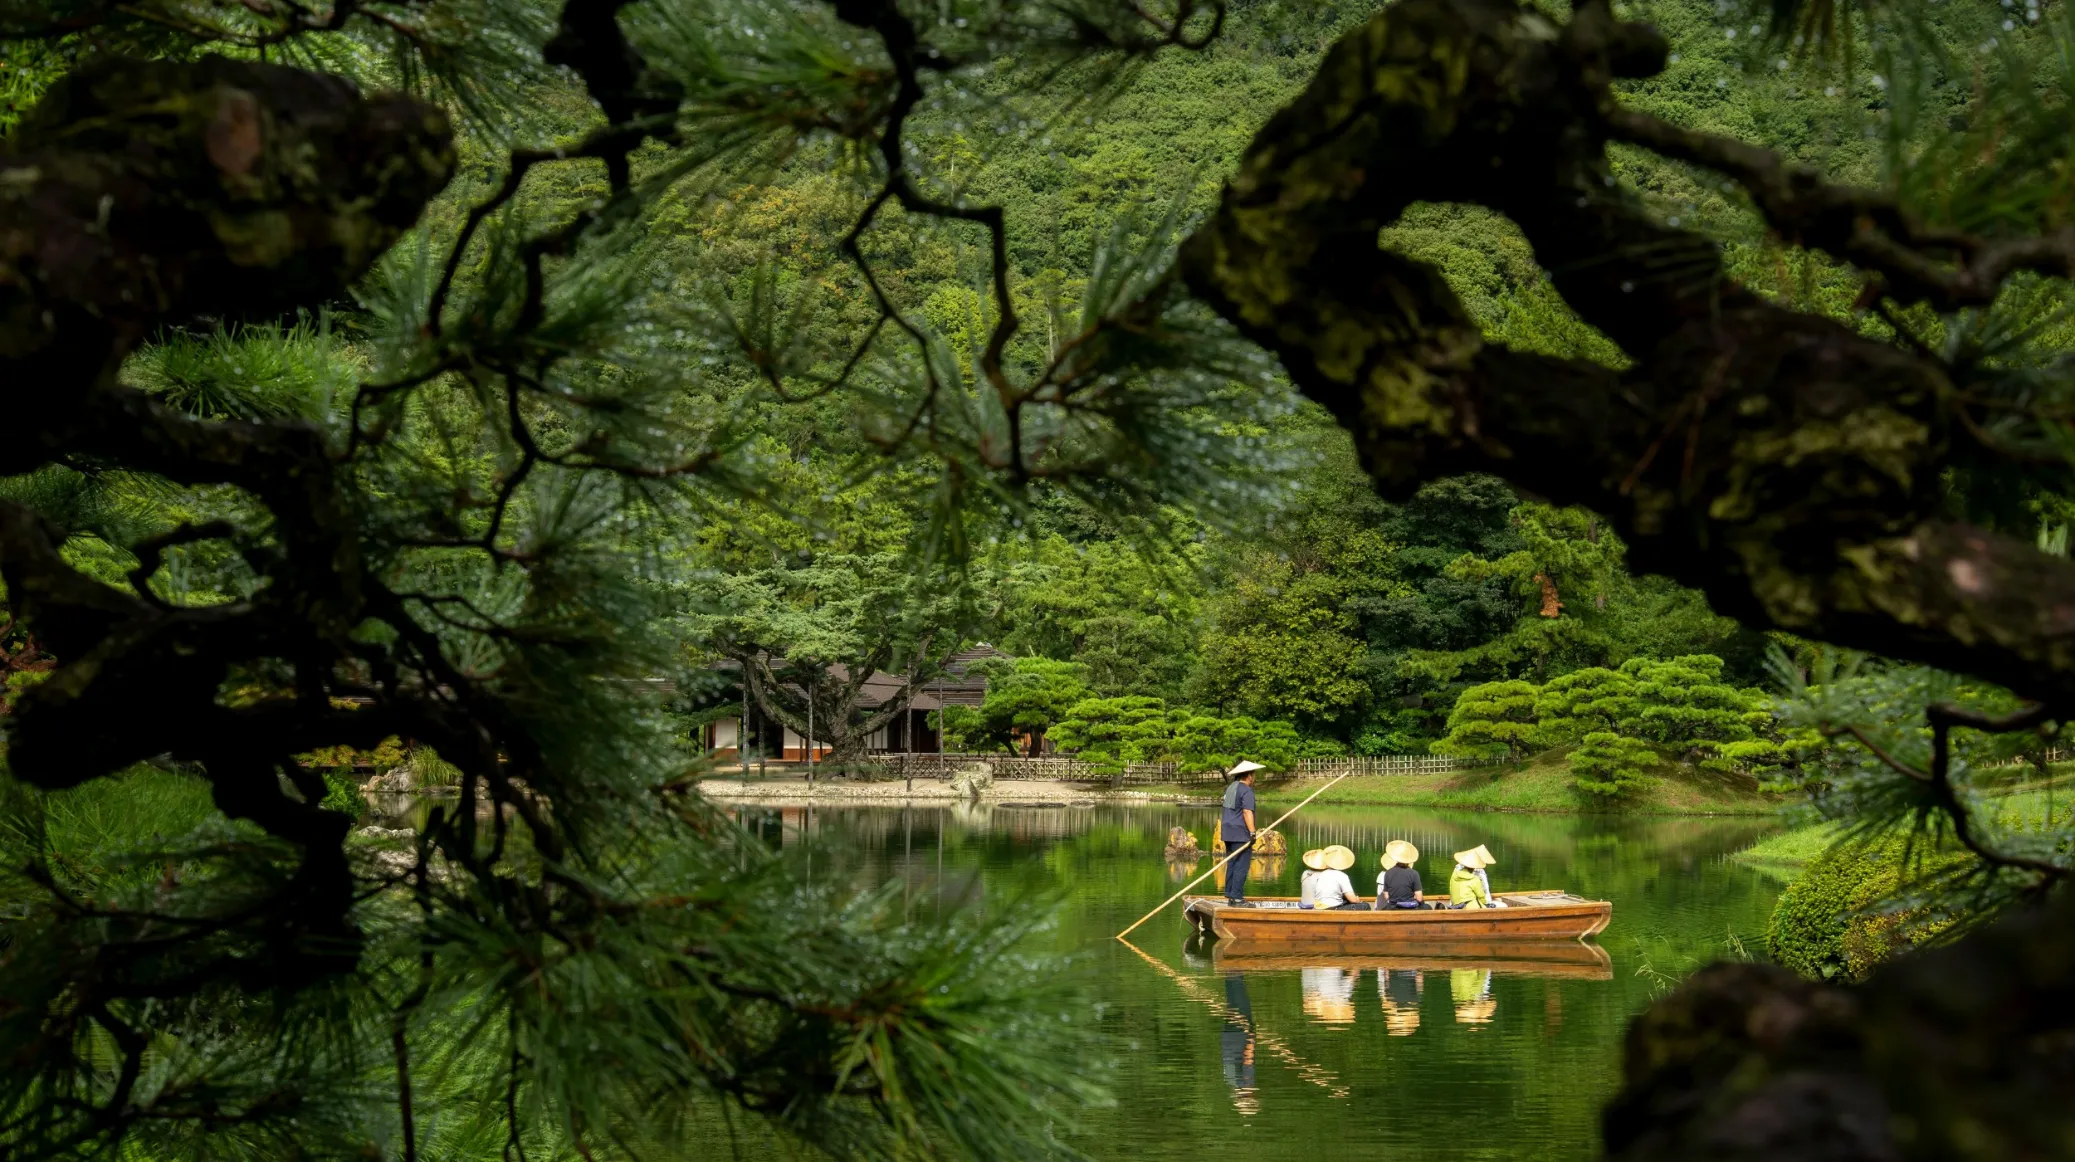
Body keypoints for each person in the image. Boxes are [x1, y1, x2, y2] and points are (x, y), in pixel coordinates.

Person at [1219, 760, 1263, 905]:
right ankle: (1237, 897)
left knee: (1232, 862)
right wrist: (1252, 832)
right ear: (1249, 776)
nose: (1254, 777)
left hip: (1227, 831)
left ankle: (1231, 895)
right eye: (1254, 774)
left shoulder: (1230, 788)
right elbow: (1246, 811)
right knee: (1241, 864)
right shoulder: (1246, 791)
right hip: (1240, 832)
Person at [1309, 845, 1364, 910]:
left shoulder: (1321, 874)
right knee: (1365, 906)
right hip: (1333, 908)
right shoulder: (1342, 875)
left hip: (1319, 907)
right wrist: (1357, 900)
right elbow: (1352, 900)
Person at [1448, 844, 1502, 909]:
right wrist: (1487, 905)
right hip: (1470, 907)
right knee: (1501, 904)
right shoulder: (1476, 877)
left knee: (1498, 900)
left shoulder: (1455, 873)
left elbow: (1451, 890)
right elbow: (1483, 894)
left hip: (1455, 905)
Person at [1377, 839, 1424, 909]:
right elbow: (1419, 898)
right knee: (1426, 906)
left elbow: (1386, 897)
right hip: (1410, 909)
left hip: (1393, 908)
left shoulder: (1388, 873)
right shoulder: (1414, 874)